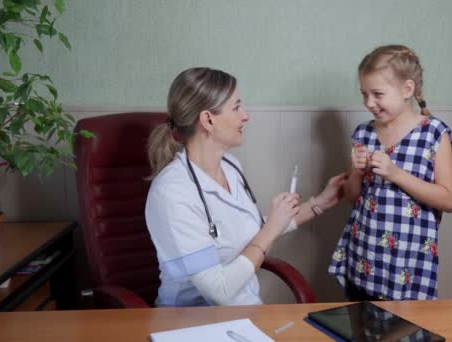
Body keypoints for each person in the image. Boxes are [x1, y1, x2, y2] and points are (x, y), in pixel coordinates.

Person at [145, 67, 346, 306]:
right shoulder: (172, 192)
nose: (246, 115)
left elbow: (246, 229)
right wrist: (271, 229)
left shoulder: (230, 166)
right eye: (237, 107)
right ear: (208, 120)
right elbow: (219, 290)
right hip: (190, 323)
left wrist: (318, 204)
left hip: (245, 313)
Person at [328, 45, 452, 301]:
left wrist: (395, 173)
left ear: (407, 90)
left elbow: (449, 199)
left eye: (377, 94)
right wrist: (356, 171)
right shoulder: (363, 133)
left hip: (408, 265)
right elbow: (353, 198)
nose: (368, 103)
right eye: (364, 94)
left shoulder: (433, 133)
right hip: (363, 256)